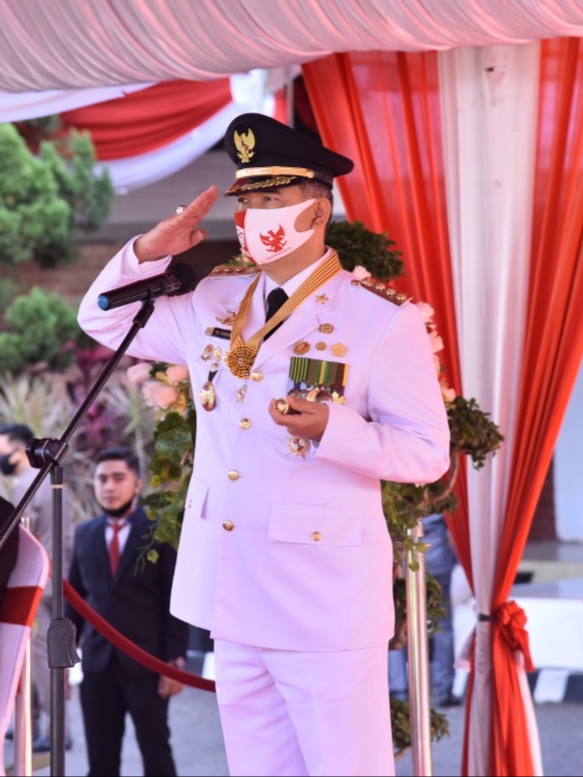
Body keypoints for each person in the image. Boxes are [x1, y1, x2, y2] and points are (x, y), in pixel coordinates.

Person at [77, 113, 451, 777]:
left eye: (271, 200)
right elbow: (104, 320)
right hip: (232, 588)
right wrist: (148, 251)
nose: (252, 218)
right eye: (246, 202)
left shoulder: (377, 321)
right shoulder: (213, 300)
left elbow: (426, 451)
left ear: (318, 210)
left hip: (322, 599)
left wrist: (333, 428)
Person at [65, 446, 189, 777]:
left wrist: (175, 661)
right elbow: (74, 599)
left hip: (147, 663)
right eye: (102, 479)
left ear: (137, 484)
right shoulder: (84, 532)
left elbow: (174, 599)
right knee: (100, 761)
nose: (109, 486)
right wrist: (62, 660)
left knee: (157, 754)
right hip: (97, 666)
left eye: (118, 478)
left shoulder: (159, 529)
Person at [0, 422, 72, 751]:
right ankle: (31, 724)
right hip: (48, 582)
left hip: (37, 586)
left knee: (41, 660)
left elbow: (19, 535)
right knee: (31, 658)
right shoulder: (39, 480)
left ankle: (57, 730)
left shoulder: (27, 485)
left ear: (19, 449)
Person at [388, 513, 461, 707]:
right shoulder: (440, 496)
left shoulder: (397, 497)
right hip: (437, 560)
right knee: (443, 625)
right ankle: (443, 687)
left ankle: (399, 688)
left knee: (396, 620)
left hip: (404, 561)